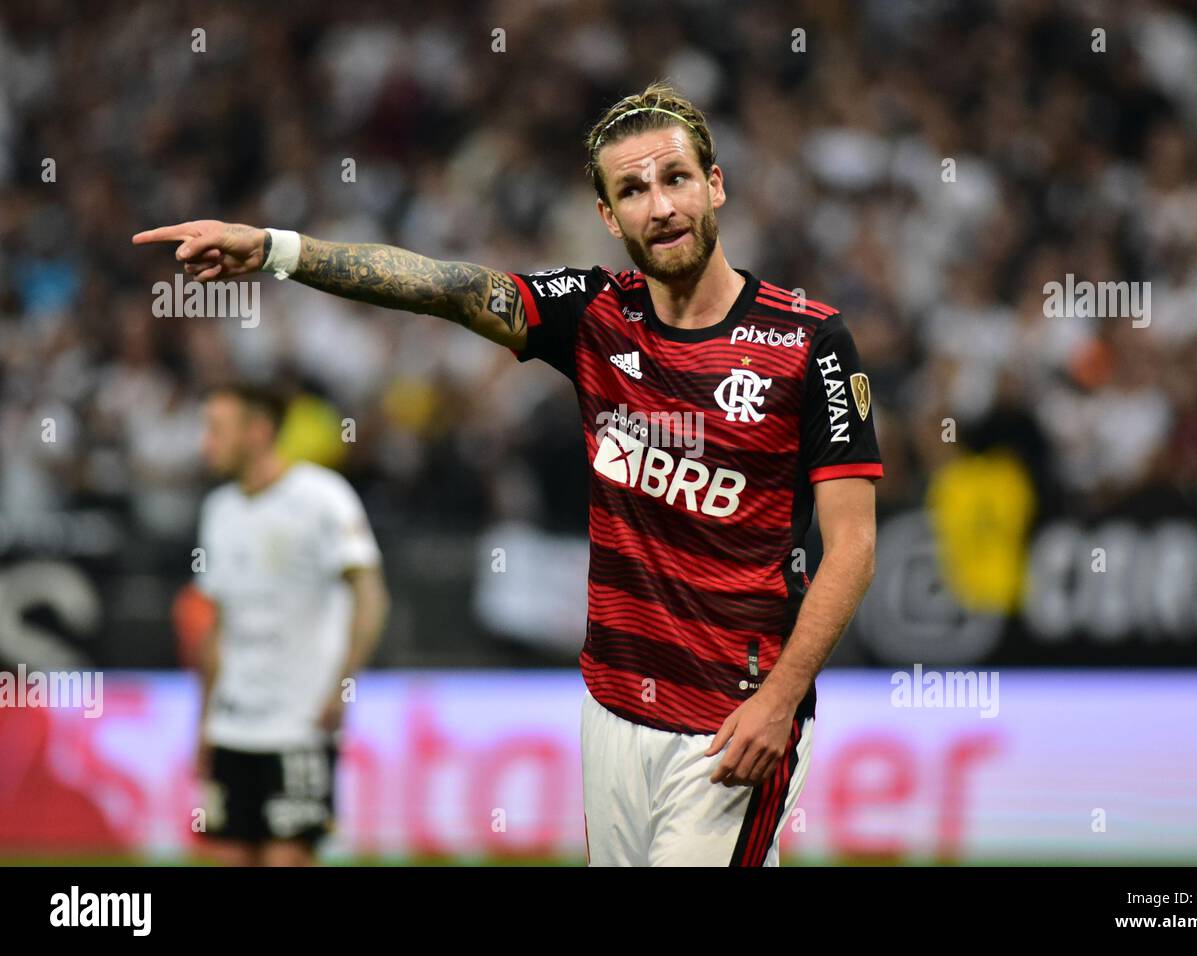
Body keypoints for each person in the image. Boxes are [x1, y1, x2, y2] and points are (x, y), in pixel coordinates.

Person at [135, 80, 880, 866]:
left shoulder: (811, 342)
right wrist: (278, 251)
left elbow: (853, 547)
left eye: (676, 179)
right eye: (632, 190)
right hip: (614, 713)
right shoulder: (596, 315)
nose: (659, 207)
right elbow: (449, 288)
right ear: (607, 215)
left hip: (732, 724)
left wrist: (780, 700)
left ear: (714, 183)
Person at [191, 383, 388, 866]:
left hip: (299, 724)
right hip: (234, 725)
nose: (205, 443)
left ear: (258, 432)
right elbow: (217, 623)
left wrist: (342, 685)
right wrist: (204, 720)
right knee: (230, 857)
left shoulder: (322, 497)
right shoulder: (218, 511)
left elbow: (371, 594)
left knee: (287, 859)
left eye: (218, 429)